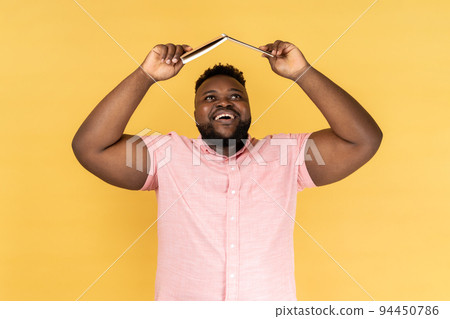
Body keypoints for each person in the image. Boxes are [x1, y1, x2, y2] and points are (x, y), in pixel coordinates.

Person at [72, 40, 383, 300]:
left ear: (248, 108)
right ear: (195, 114)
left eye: (236, 96)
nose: (225, 103)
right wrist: (146, 75)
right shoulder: (167, 154)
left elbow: (363, 140)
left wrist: (302, 72)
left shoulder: (285, 155)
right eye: (210, 98)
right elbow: (90, 147)